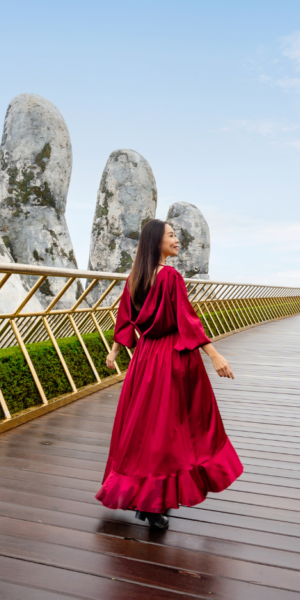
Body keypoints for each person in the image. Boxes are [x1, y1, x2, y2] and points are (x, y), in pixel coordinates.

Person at [95, 219, 243, 530]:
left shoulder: (134, 277)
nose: (177, 240)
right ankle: (153, 502)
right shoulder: (171, 277)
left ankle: (146, 498)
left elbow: (125, 318)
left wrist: (115, 351)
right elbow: (187, 321)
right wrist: (215, 355)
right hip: (171, 359)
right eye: (172, 236)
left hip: (144, 359)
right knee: (172, 431)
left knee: (144, 430)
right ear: (156, 242)